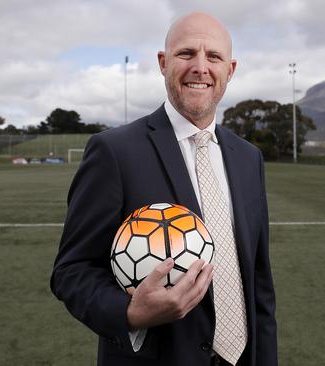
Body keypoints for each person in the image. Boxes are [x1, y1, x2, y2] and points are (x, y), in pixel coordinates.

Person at [51, 12, 277, 366]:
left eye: (213, 56)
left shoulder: (249, 158)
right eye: (186, 53)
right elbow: (72, 271)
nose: (200, 67)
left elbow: (259, 283)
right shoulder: (114, 151)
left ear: (229, 70)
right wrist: (130, 313)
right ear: (163, 62)